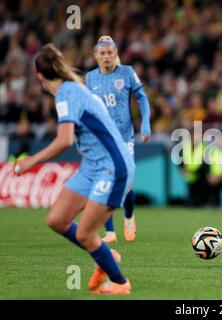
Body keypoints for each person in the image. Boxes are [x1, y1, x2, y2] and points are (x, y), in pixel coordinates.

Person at [15, 44, 135, 294]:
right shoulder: (74, 89)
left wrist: (32, 160)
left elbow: (65, 140)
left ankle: (120, 283)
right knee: (57, 220)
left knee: (84, 234)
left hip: (112, 167)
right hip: (92, 166)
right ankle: (104, 253)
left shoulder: (66, 93)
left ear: (38, 75)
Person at [85, 35, 151, 243]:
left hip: (125, 136)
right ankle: (110, 232)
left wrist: (146, 123)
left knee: (127, 184)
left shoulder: (127, 73)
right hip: (102, 138)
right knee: (105, 182)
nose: (106, 57)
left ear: (116, 55)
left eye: (110, 53)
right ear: (96, 56)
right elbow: (86, 109)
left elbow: (142, 97)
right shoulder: (90, 78)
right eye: (102, 53)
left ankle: (129, 217)